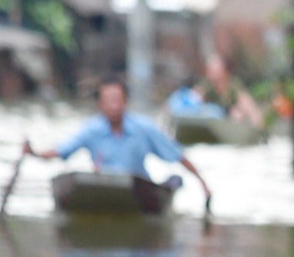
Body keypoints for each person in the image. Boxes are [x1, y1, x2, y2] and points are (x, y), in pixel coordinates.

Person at [23, 77, 213, 203]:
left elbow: (176, 155)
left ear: (125, 101)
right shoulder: (92, 130)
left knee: (172, 181)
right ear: (100, 104)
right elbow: (62, 150)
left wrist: (202, 183)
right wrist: (34, 153)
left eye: (117, 99)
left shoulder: (144, 128)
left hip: (138, 192)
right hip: (102, 188)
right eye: (108, 100)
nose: (113, 105)